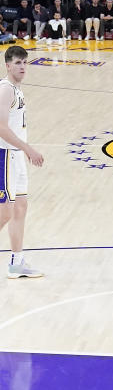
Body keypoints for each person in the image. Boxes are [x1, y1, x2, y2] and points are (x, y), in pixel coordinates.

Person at [0, 46, 45, 279]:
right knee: (5, 212)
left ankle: (17, 263)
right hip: (5, 155)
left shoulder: (17, 89)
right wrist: (27, 148)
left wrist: (23, 150)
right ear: (8, 65)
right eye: (18, 63)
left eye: (25, 62)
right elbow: (0, 128)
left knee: (20, 207)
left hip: (16, 156)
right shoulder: (6, 89)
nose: (22, 67)